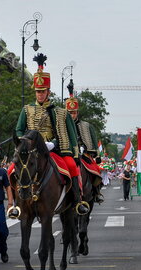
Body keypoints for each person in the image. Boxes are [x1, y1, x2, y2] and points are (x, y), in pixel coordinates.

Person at [14, 53, 88, 215]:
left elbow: (67, 135)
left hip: (53, 148)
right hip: (31, 148)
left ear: (48, 92)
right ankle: (15, 204)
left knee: (71, 167)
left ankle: (77, 200)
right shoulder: (26, 110)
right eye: (38, 91)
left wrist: (53, 143)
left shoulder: (58, 112)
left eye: (43, 91)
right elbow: (18, 130)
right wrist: (24, 141)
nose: (40, 94)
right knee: (12, 169)